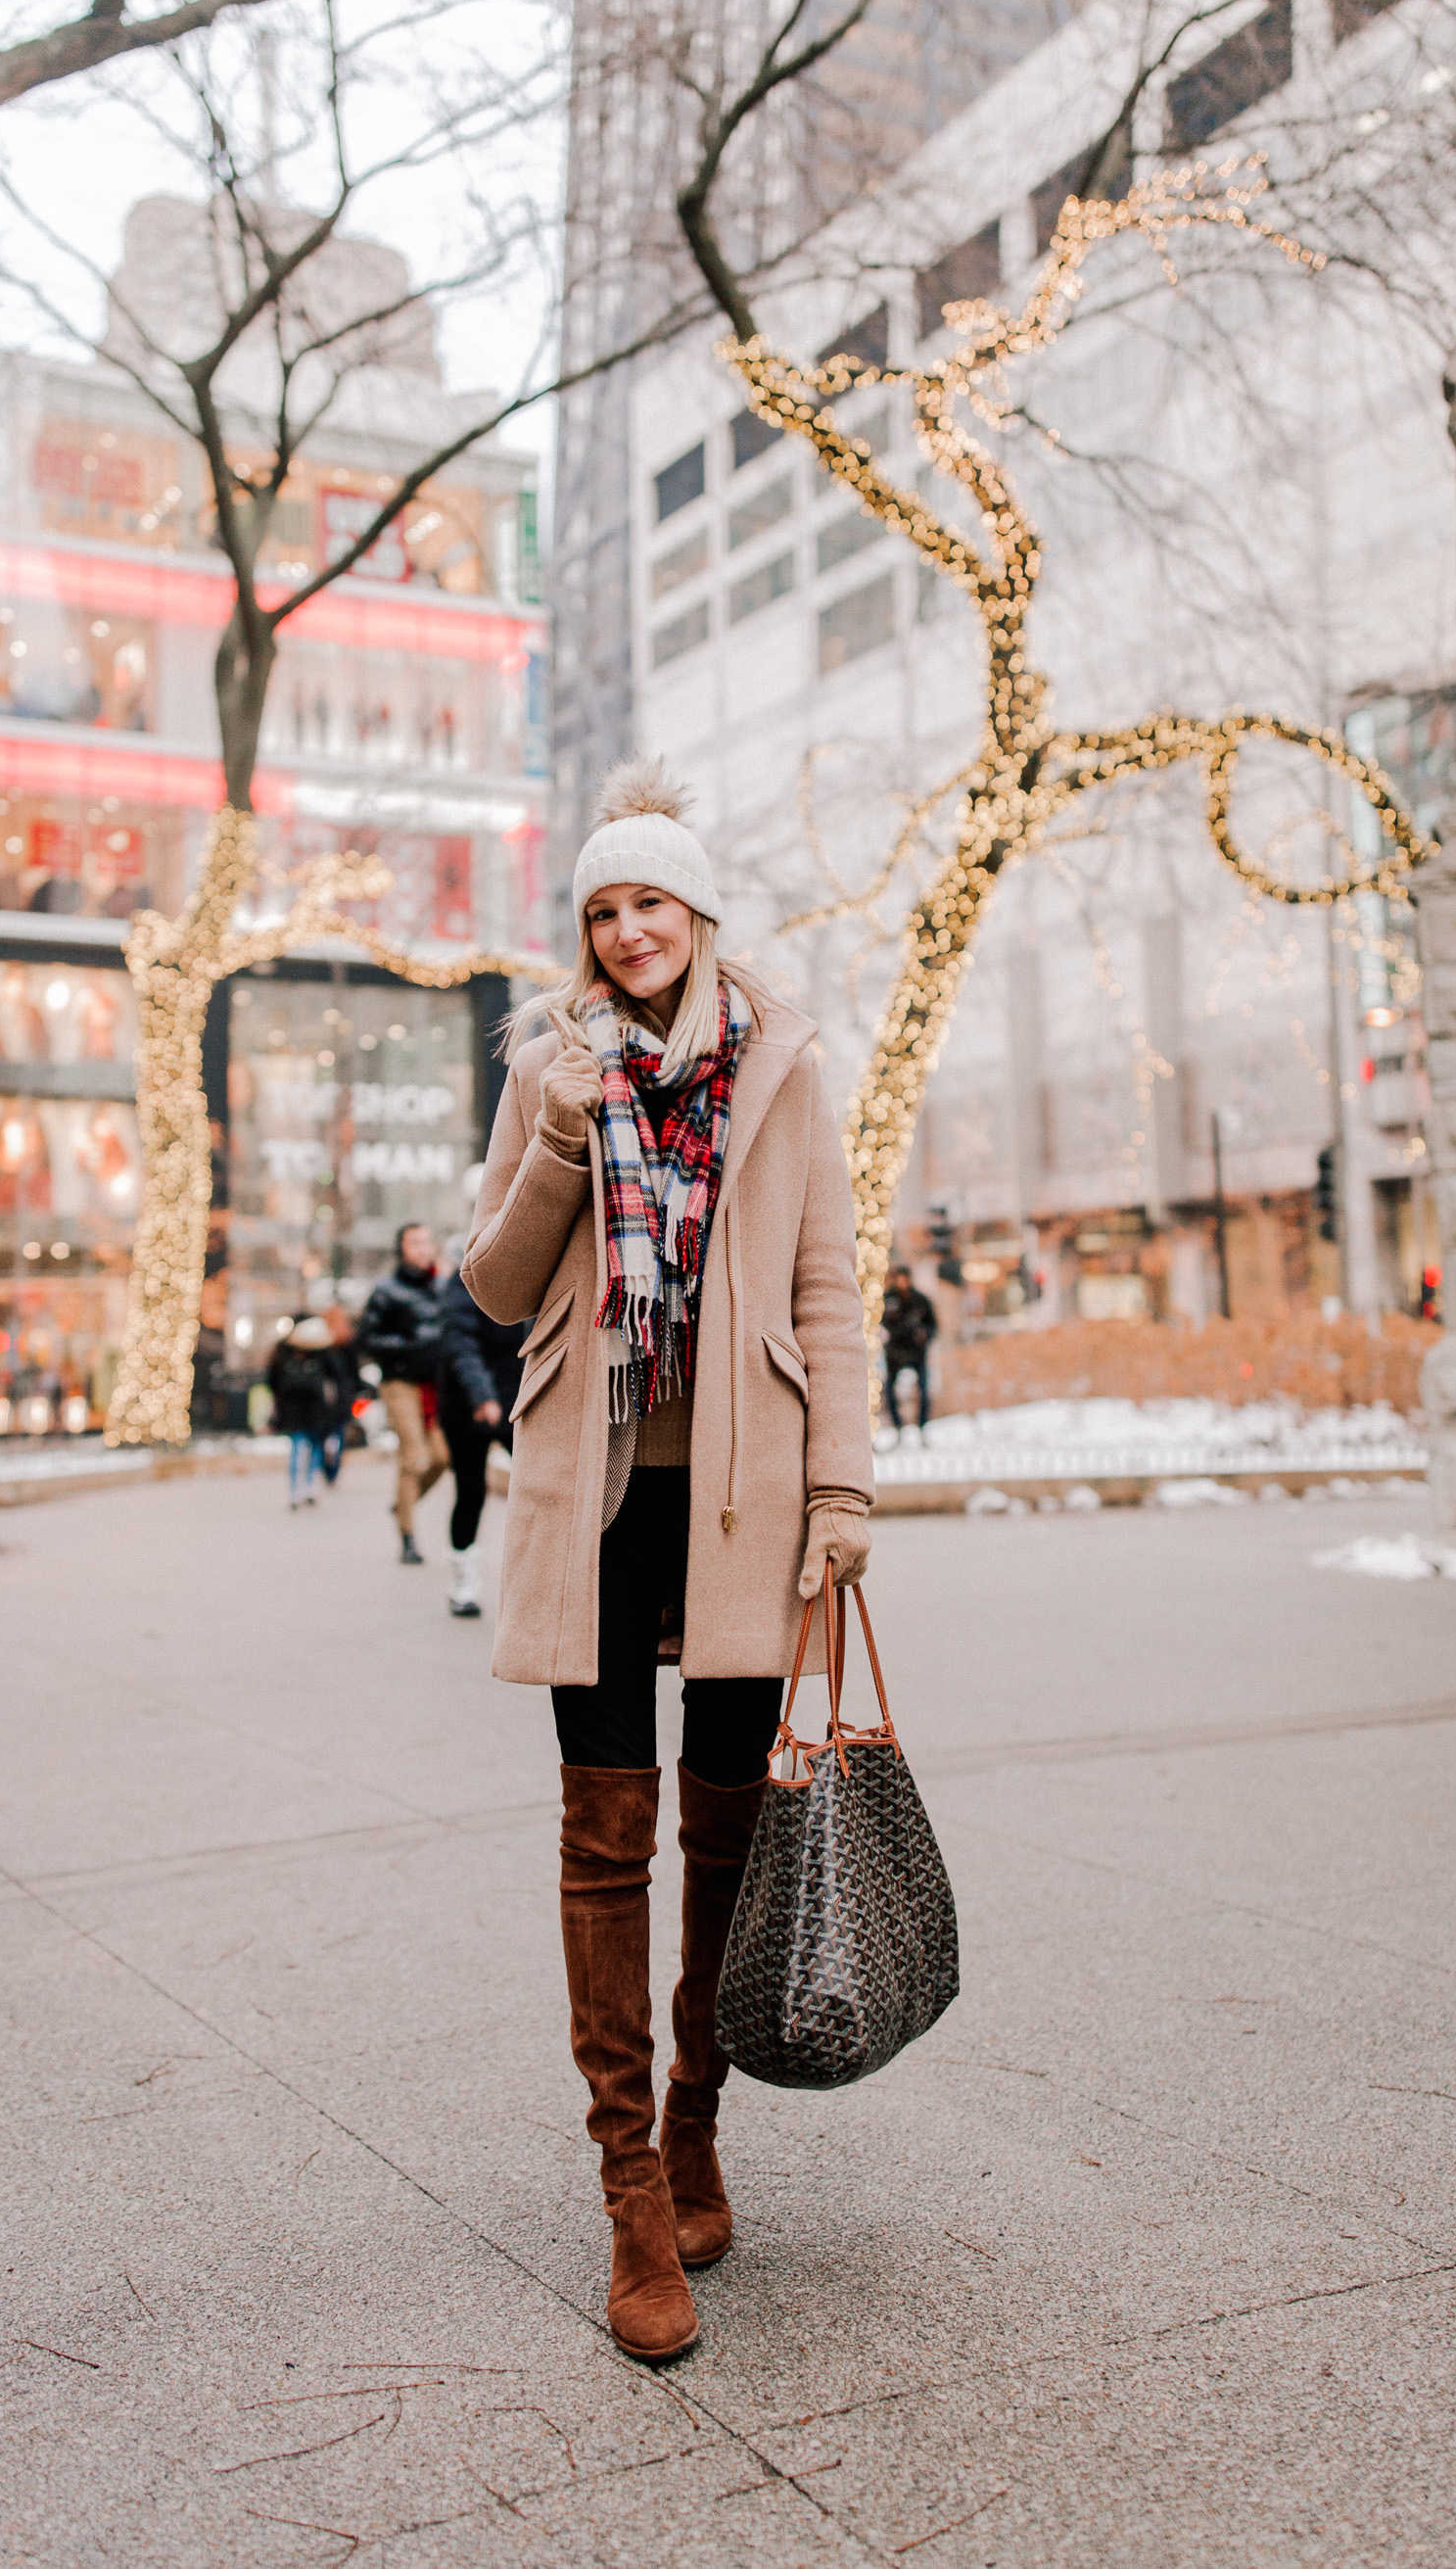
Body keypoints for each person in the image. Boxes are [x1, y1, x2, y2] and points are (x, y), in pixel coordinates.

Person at [463, 756, 872, 2365]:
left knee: (725, 1830)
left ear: (699, 912)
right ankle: (630, 2184)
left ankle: (697, 2116)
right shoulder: (548, 1067)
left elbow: (828, 1284)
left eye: (650, 901)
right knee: (601, 1835)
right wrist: (560, 1145)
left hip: (741, 1500)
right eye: (601, 909)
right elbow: (498, 1290)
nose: (627, 930)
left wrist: (840, 1488)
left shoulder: (781, 1066)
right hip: (600, 1487)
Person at [436, 1266, 527, 1617]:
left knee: (536, 1487)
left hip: (515, 1399)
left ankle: (535, 1580)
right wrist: (481, 1396)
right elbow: (460, 1343)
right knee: (471, 1491)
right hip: (467, 1404)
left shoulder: (526, 1271)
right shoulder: (462, 1281)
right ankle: (463, 1581)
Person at [358, 1222, 449, 1564]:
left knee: (441, 1457)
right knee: (413, 1458)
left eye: (427, 1240)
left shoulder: (443, 1286)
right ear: (402, 1249)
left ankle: (401, 1506)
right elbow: (366, 1340)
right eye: (415, 1242)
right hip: (400, 1383)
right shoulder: (386, 1290)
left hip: (436, 1385)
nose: (423, 1248)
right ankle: (408, 1536)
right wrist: (410, 1343)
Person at [265, 1314, 339, 1508]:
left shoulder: (287, 1351)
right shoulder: (316, 1352)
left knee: (304, 1445)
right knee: (307, 1445)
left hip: (302, 1406)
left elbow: (272, 1379)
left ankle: (300, 1489)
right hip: (303, 1406)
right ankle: (304, 1487)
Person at [880, 1262, 938, 1435]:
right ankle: (898, 1427)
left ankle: (922, 1427)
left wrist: (923, 1335)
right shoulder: (887, 1299)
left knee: (923, 1389)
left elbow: (933, 1326)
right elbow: (883, 1324)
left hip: (916, 1352)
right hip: (895, 1353)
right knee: (889, 1391)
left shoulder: (921, 1300)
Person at [318, 1304, 360, 1485]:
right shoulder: (347, 1341)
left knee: (323, 1434)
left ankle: (326, 1466)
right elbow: (354, 1370)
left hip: (325, 1396)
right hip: (343, 1394)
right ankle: (334, 1468)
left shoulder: (320, 1343)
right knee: (339, 1432)